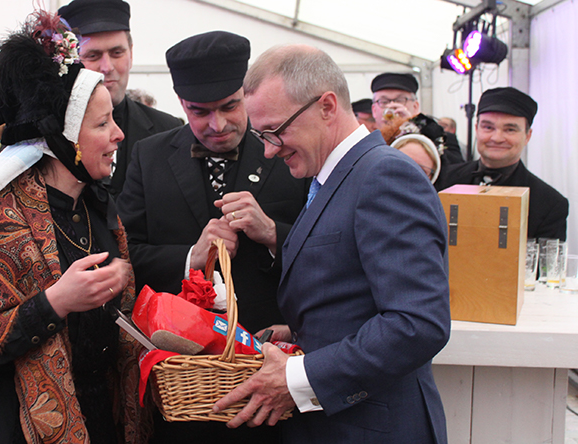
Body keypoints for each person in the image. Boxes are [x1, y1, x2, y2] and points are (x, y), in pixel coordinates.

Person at [0, 11, 149, 444]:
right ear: (61, 138)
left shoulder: (100, 208)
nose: (118, 135)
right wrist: (56, 302)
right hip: (8, 429)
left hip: (96, 419)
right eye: (102, 124)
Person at [213, 44, 451, 444]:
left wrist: (297, 377)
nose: (269, 150)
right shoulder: (331, 179)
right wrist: (298, 334)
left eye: (276, 132)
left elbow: (417, 324)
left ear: (326, 106)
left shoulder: (385, 176)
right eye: (261, 136)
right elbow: (355, 294)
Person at [117, 31, 309, 443]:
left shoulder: (289, 149)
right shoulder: (149, 156)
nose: (217, 124)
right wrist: (191, 256)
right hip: (183, 384)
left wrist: (274, 234)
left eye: (230, 107)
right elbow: (124, 254)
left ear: (248, 93)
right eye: (199, 112)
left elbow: (328, 245)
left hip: (270, 376)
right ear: (180, 103)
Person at [59, 0, 183, 197]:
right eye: (93, 55)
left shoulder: (169, 131)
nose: (107, 67)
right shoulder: (50, 136)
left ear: (131, 53)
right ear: (71, 59)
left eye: (117, 53)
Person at [440, 87, 569, 241]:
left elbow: (547, 264)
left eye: (510, 129)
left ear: (527, 136)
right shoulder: (444, 180)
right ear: (476, 129)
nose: (497, 137)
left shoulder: (549, 203)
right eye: (488, 127)